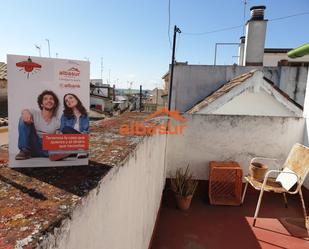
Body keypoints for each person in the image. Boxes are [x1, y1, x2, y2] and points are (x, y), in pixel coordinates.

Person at [15, 90, 60, 160]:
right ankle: (24, 151)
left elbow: (57, 139)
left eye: (51, 99)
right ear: (41, 104)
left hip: (46, 148)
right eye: (45, 99)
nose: (49, 100)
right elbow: (25, 112)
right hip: (33, 143)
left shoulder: (57, 121)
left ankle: (53, 154)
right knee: (23, 118)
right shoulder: (34, 113)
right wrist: (25, 112)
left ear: (54, 104)